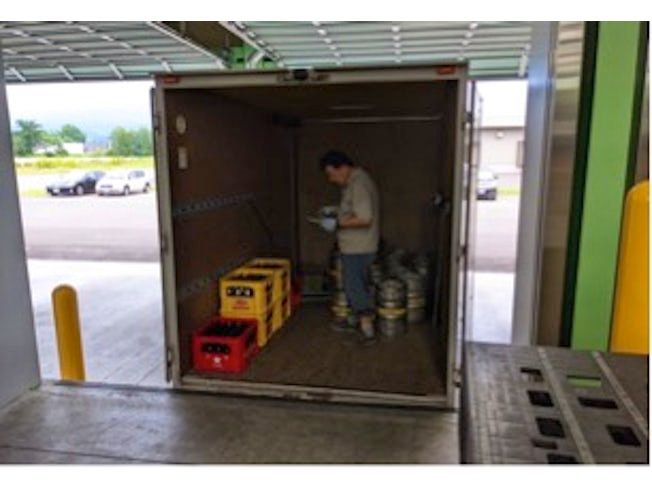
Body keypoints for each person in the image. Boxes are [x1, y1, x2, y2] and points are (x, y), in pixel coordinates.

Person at [318, 150, 380, 344]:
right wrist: (336, 212)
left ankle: (367, 330)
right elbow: (353, 210)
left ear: (343, 167)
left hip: (358, 247)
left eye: (331, 174)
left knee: (355, 287)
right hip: (357, 246)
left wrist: (337, 223)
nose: (331, 179)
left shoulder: (358, 184)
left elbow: (365, 218)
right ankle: (359, 322)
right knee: (357, 284)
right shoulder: (354, 182)